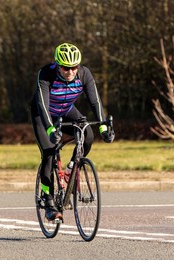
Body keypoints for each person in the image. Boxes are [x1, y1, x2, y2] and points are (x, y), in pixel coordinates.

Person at [30, 42, 114, 220]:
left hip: (67, 110)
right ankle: (48, 200)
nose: (70, 72)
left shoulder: (84, 74)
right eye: (65, 68)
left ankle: (70, 170)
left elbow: (95, 102)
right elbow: (43, 105)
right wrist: (51, 130)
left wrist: (104, 126)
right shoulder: (46, 75)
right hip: (43, 114)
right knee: (49, 152)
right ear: (57, 65)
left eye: (73, 67)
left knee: (88, 134)